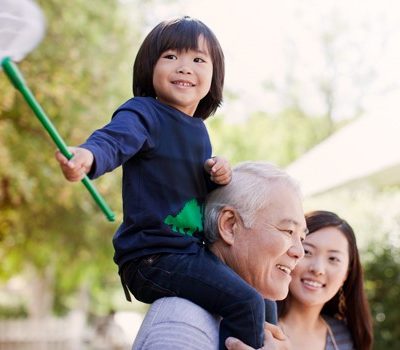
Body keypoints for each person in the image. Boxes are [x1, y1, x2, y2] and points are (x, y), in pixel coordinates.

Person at [55, 16, 273, 349]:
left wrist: (218, 176)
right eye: (171, 57)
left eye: (198, 60)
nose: (184, 67)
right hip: (152, 259)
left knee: (263, 293)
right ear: (149, 67)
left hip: (189, 253)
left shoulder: (198, 131)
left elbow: (194, 196)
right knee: (246, 303)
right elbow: (114, 139)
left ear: (214, 76)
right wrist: (88, 156)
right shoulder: (143, 113)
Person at [132, 161, 307, 349]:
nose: (300, 252)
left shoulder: (259, 315)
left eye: (302, 238)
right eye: (288, 231)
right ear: (230, 225)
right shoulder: (183, 326)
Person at [225, 210, 374, 350]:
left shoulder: (344, 336)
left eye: (333, 259)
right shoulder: (257, 325)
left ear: (346, 275)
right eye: (308, 252)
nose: (318, 269)